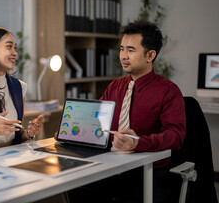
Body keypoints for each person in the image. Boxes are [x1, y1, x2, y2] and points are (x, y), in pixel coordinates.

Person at [69, 21, 186, 203]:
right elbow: (95, 120)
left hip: (148, 171)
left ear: (150, 55)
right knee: (75, 190)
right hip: (111, 165)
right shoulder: (115, 86)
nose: (123, 56)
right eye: (122, 49)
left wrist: (137, 143)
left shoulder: (168, 91)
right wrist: (70, 132)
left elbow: (176, 136)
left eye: (131, 50)